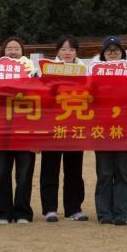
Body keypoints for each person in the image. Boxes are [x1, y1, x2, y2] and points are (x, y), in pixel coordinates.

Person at [39, 35, 89, 222]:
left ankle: (74, 209)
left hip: (75, 125)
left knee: (74, 169)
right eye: (63, 49)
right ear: (57, 51)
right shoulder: (46, 70)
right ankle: (49, 209)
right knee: (50, 168)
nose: (67, 53)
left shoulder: (85, 70)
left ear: (76, 52)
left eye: (71, 49)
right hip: (52, 125)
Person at [0, 36, 36, 224]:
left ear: (23, 52)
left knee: (24, 175)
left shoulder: (33, 73)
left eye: (17, 48)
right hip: (1, 131)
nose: (13, 52)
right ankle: (2, 212)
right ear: (3, 52)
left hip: (26, 131)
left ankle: (22, 212)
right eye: (9, 48)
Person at [94, 36, 127, 225]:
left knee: (122, 173)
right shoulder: (93, 72)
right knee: (104, 173)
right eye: (108, 50)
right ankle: (104, 214)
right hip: (102, 130)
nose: (112, 53)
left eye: (116, 49)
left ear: (122, 53)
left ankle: (121, 213)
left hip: (125, 130)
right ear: (103, 54)